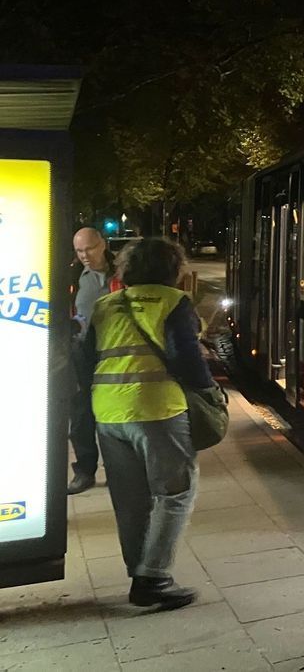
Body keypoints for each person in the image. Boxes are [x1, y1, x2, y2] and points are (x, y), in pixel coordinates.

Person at [81, 237, 214, 610]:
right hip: (157, 410)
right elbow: (186, 358)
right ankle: (153, 577)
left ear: (126, 269)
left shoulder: (105, 305)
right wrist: (209, 391)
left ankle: (139, 572)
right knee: (174, 493)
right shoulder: (174, 302)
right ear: (174, 270)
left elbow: (84, 358)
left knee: (130, 500)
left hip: (107, 411)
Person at [68, 228, 120, 495]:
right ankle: (85, 471)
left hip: (116, 352)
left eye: (89, 248)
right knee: (81, 414)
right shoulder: (73, 276)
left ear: (102, 245)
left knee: (114, 414)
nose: (84, 255)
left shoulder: (124, 272)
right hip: (83, 354)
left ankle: (118, 470)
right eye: (79, 250)